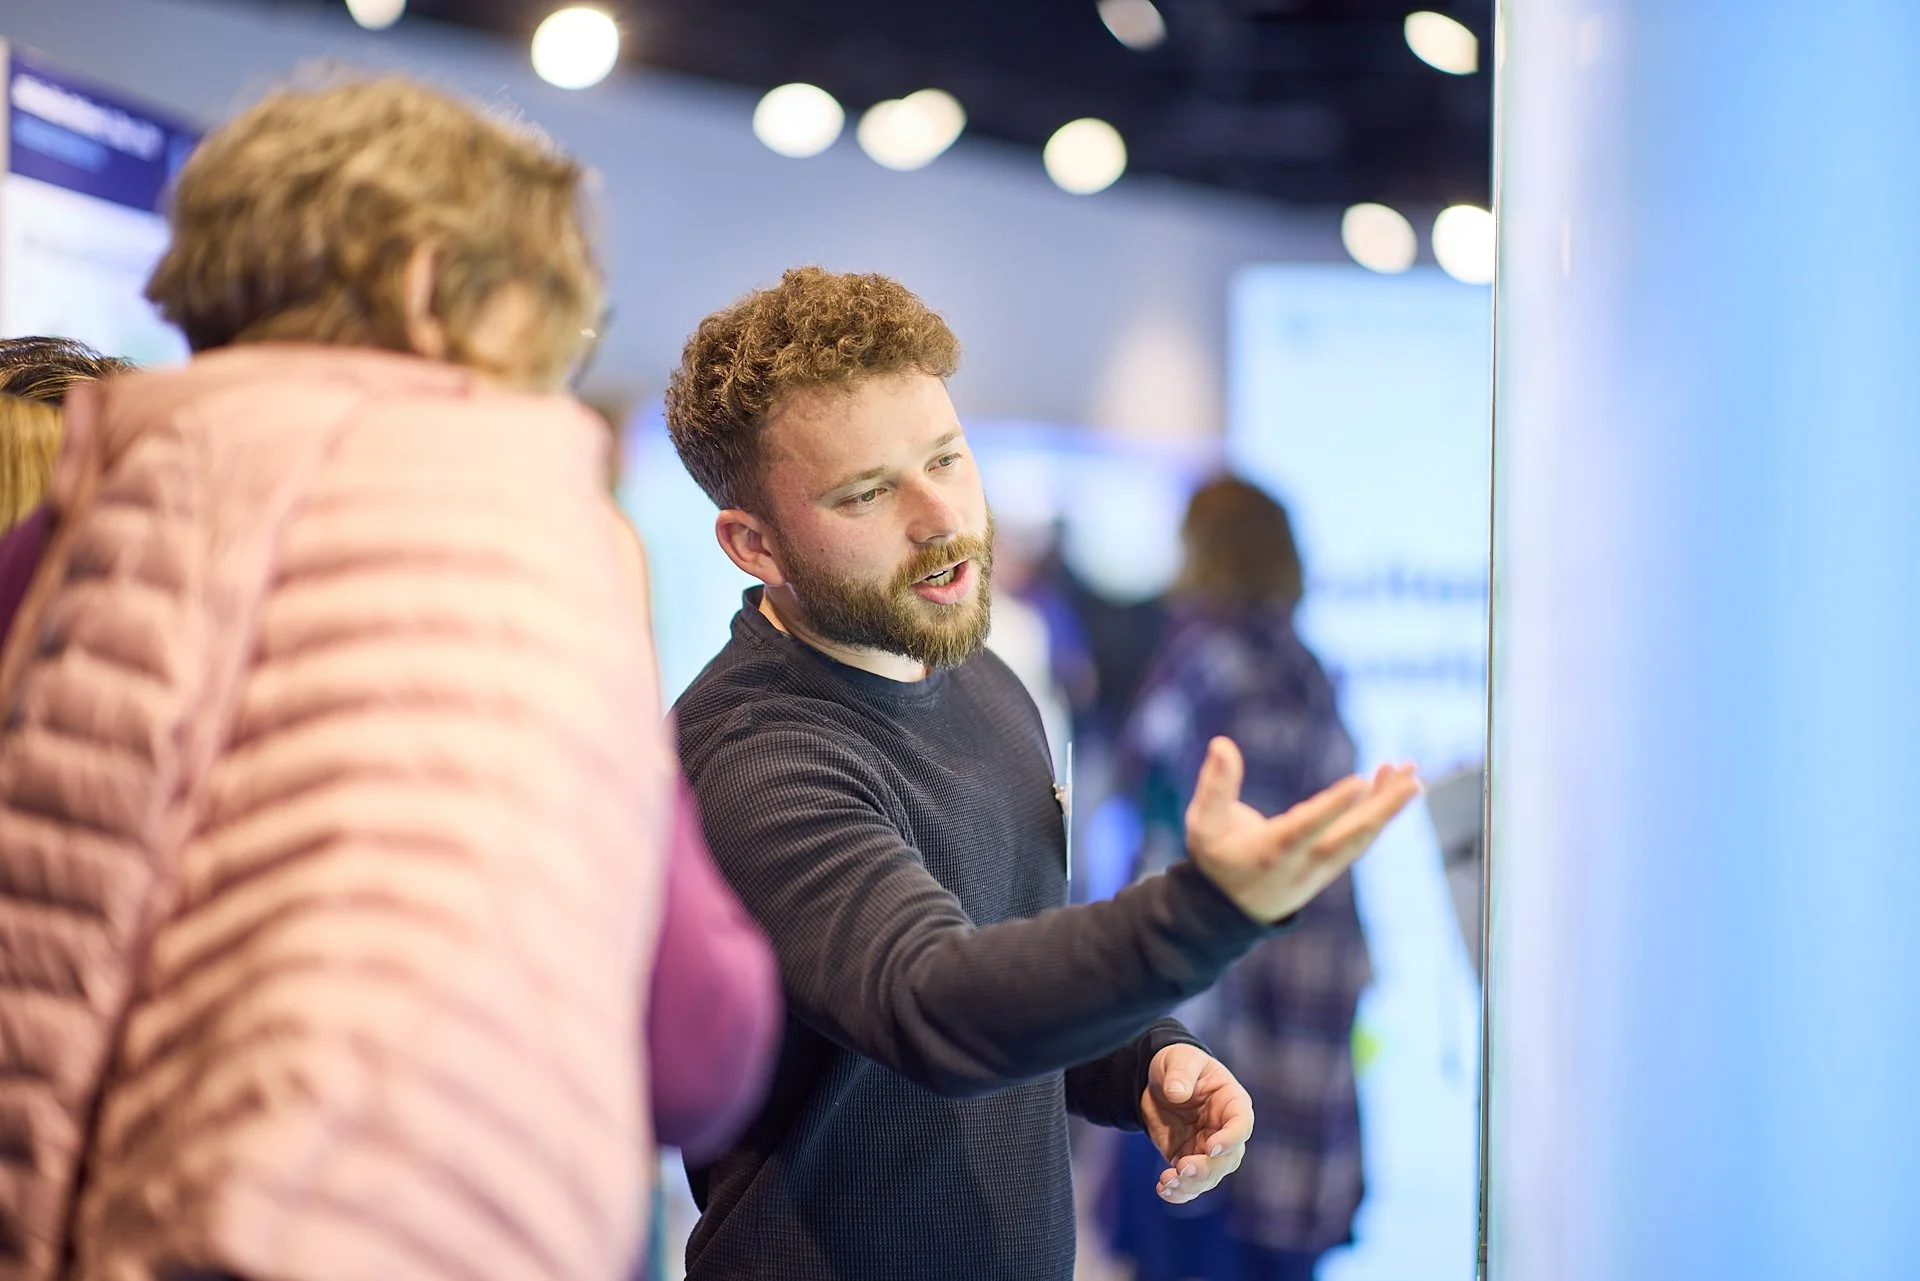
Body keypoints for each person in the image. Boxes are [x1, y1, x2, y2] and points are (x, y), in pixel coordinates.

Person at [0, 78, 758, 1281]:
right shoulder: (526, 553)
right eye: (546, 318)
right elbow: (701, 1051)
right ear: (425, 285)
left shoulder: (64, 533)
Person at [663, 266, 1421, 1281]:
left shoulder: (984, 684)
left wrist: (1141, 1060)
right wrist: (1203, 913)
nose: (942, 519)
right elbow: (935, 1002)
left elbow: (1007, 959)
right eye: (869, 493)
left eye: (947, 459)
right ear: (754, 545)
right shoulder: (754, 754)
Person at [1102, 477, 1373, 1281]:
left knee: (1205, 1208)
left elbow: (1191, 848)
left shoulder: (1212, 664)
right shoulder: (1304, 668)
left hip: (1220, 994)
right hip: (1304, 997)